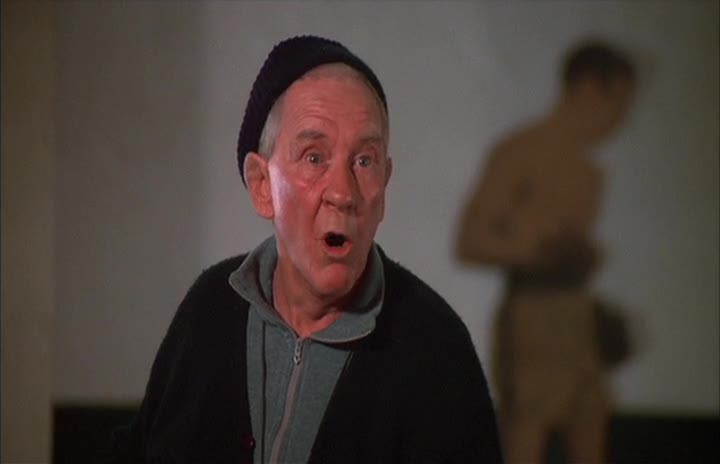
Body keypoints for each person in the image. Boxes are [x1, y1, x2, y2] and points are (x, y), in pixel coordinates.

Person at [114, 35, 502, 463]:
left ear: (384, 188)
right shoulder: (208, 309)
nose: (343, 193)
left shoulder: (436, 349)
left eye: (365, 161)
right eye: (314, 158)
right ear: (262, 186)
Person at [456, 40, 635, 463]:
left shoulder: (590, 173)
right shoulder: (521, 152)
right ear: (587, 88)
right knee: (527, 437)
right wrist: (538, 249)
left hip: (577, 315)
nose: (621, 119)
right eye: (616, 103)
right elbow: (470, 241)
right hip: (533, 316)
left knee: (590, 427)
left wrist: (579, 256)